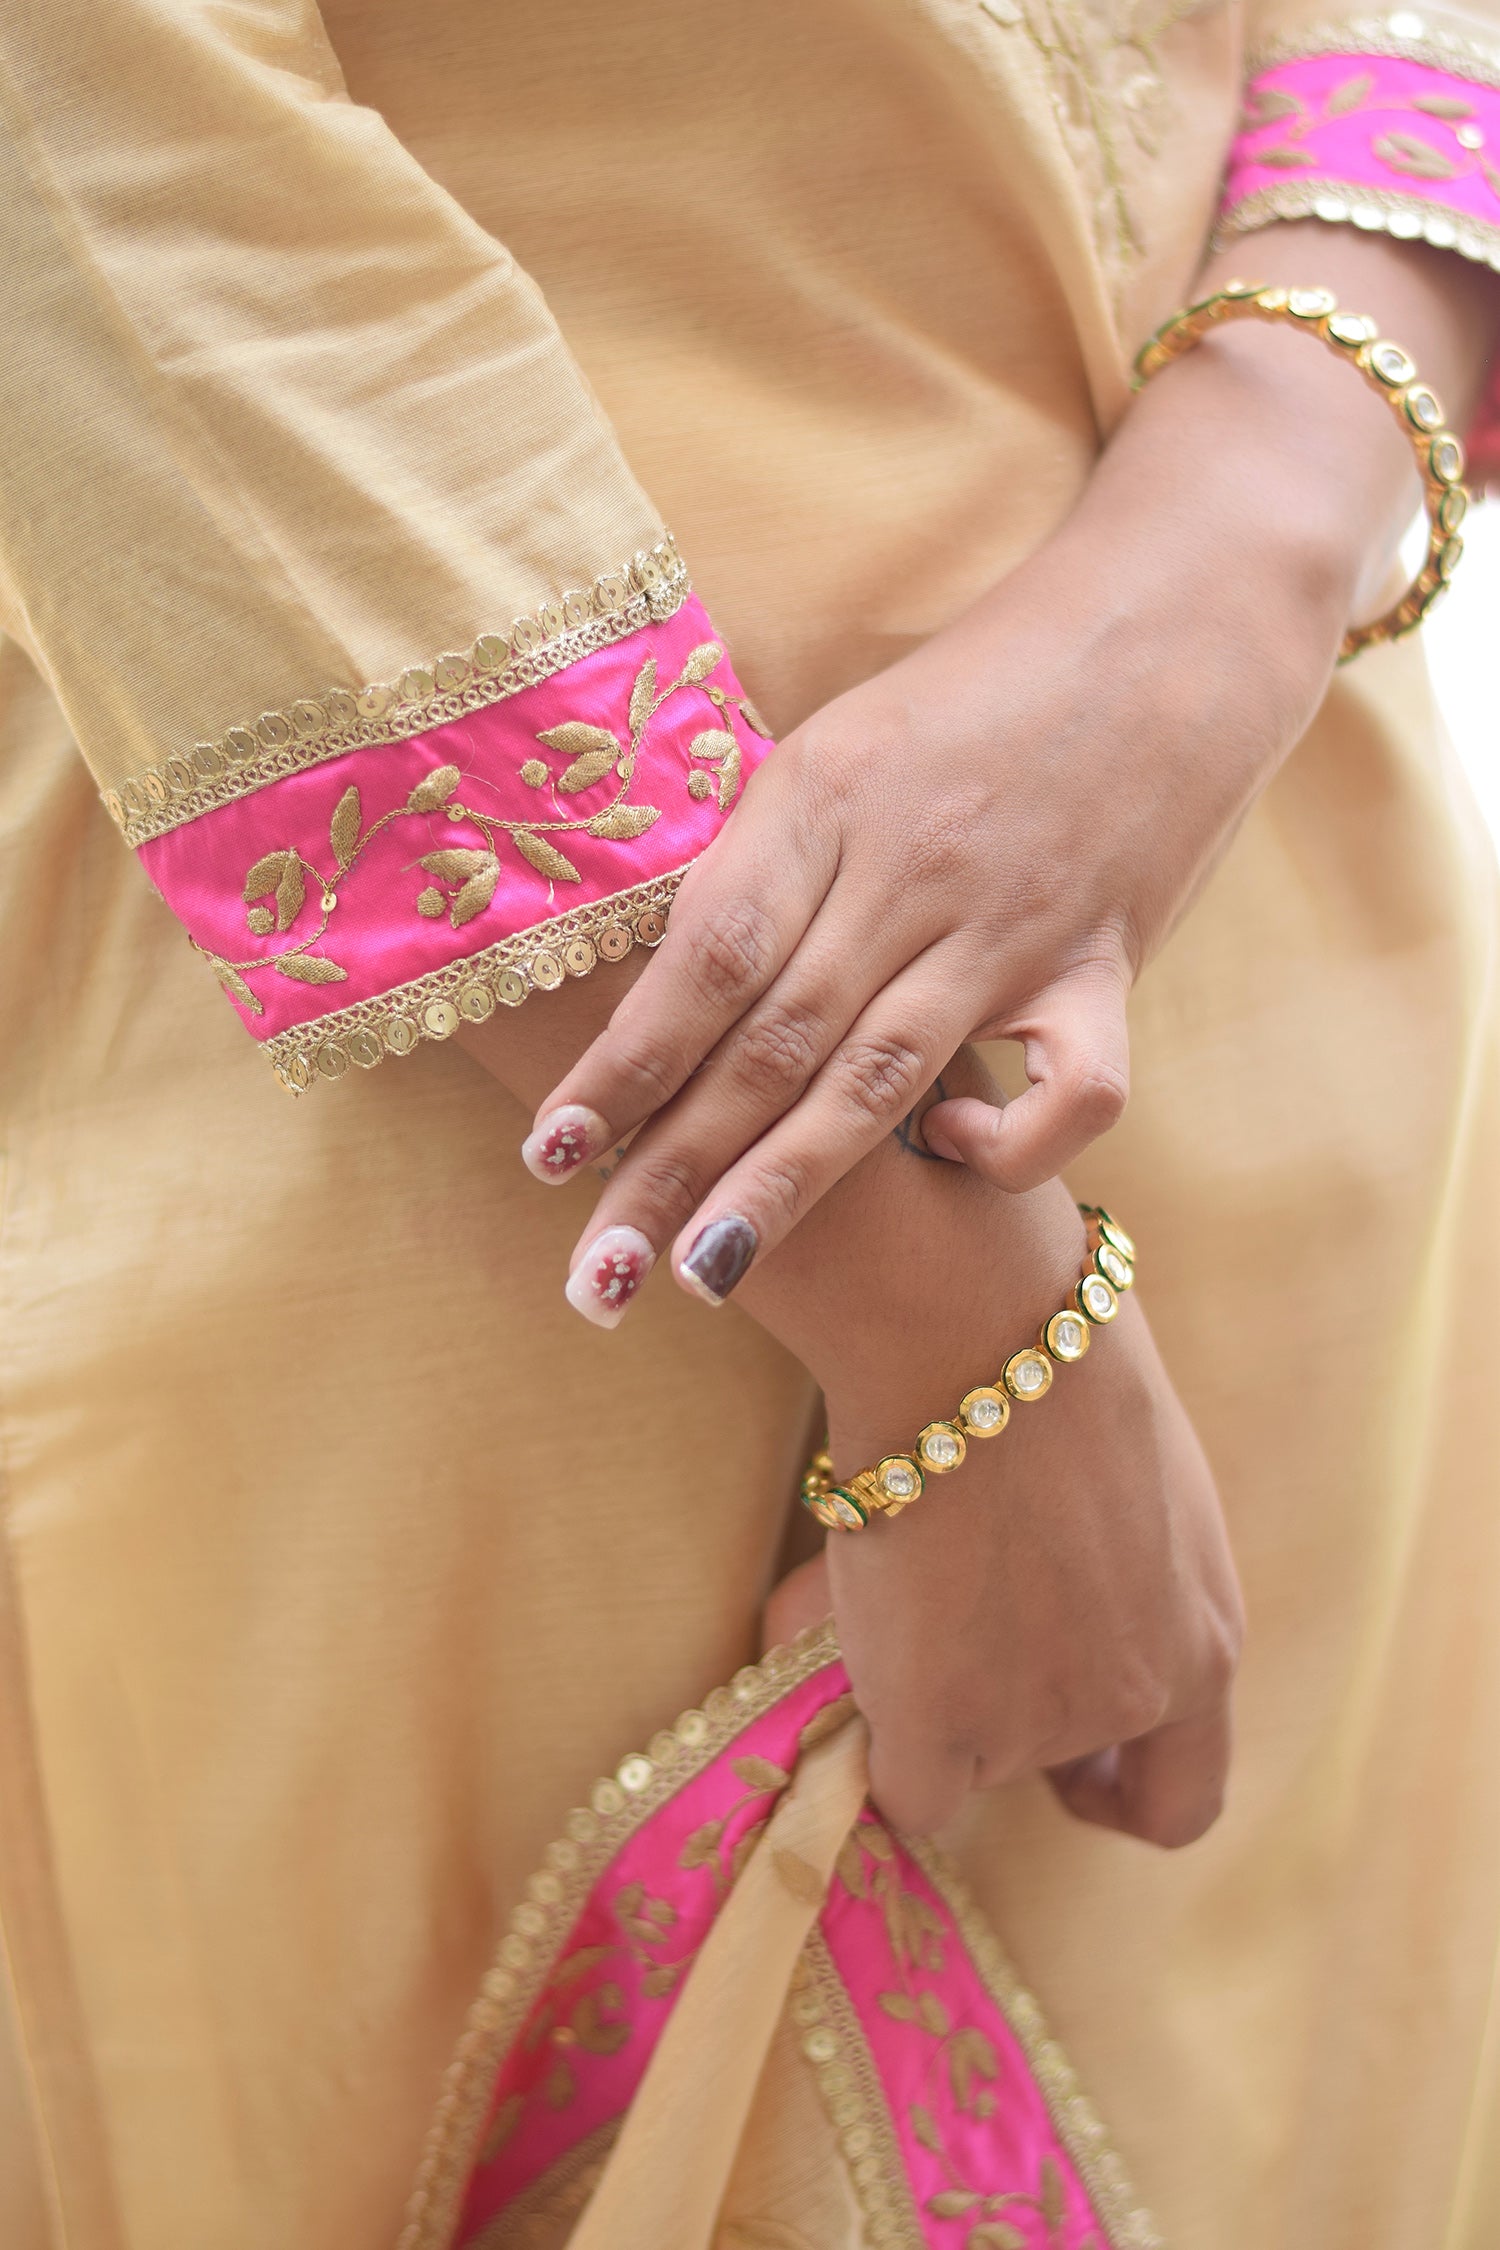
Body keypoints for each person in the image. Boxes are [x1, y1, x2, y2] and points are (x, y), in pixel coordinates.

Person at [0, 4, 1496, 2246]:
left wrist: (1241, 540)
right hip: (476, 1216)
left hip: (1290, 1023)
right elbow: (111, 198)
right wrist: (952, 1339)